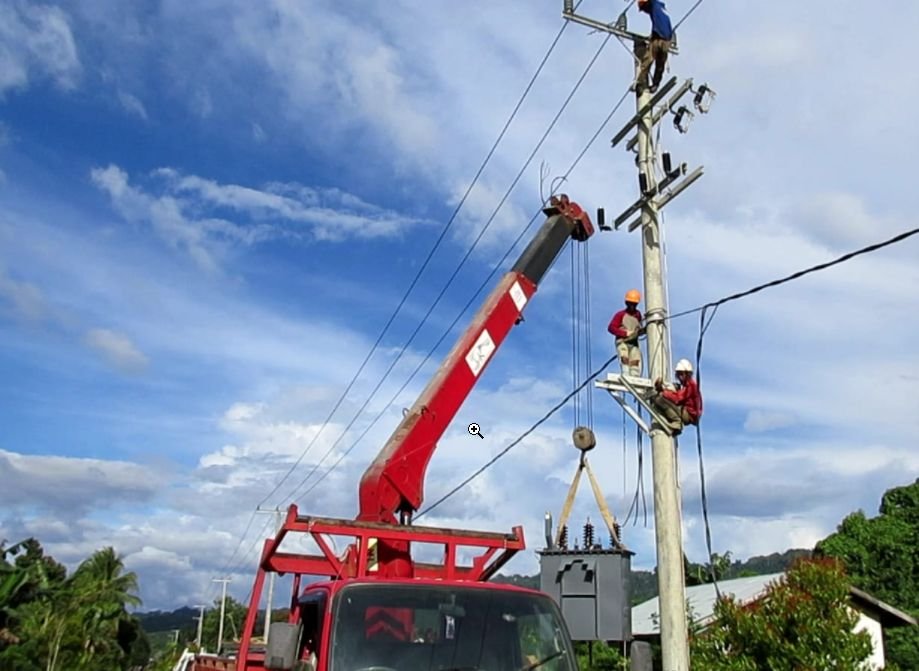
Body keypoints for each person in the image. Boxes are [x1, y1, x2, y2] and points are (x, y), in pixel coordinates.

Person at [650, 358, 703, 436]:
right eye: (678, 374)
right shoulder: (687, 385)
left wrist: (663, 392)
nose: (679, 377)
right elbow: (679, 396)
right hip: (688, 413)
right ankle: (674, 420)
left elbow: (678, 399)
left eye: (681, 374)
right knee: (669, 393)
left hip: (689, 414)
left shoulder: (691, 385)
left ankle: (677, 422)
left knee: (660, 399)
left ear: (687, 374)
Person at [636, 0, 674, 94]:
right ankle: (655, 85)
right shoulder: (660, 8)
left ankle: (641, 83)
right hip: (666, 38)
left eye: (644, 9)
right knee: (660, 64)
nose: (645, 12)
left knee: (649, 60)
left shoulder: (653, 4)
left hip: (660, 38)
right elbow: (659, 22)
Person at [608, 289, 644, 377]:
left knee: (635, 360)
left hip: (634, 343)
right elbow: (611, 328)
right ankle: (626, 374)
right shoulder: (620, 314)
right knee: (625, 357)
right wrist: (625, 333)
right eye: (630, 303)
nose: (632, 305)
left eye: (634, 304)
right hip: (622, 341)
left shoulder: (638, 315)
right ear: (627, 303)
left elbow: (639, 327)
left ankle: (635, 376)